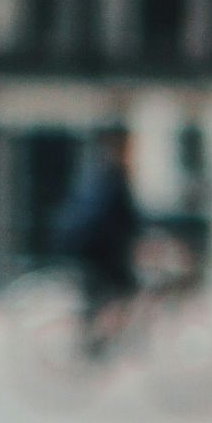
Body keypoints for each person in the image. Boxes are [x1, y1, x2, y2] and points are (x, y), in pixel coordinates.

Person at [55, 127, 141, 358]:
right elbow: (127, 218)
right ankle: (99, 340)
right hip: (99, 250)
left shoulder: (101, 174)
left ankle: (96, 338)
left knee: (100, 294)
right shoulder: (115, 177)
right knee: (127, 287)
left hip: (90, 248)